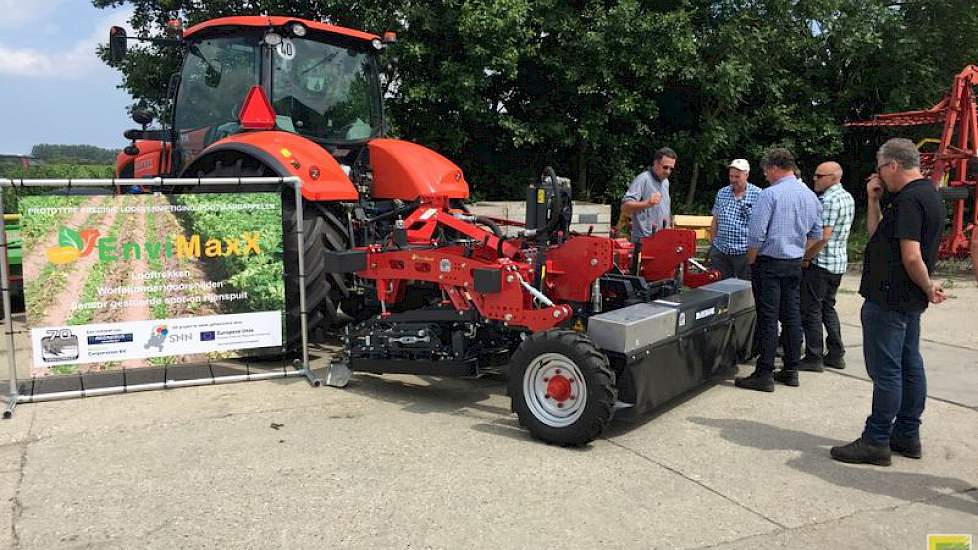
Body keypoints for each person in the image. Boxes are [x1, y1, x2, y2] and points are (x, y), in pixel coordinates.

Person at [831, 138, 947, 466]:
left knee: (887, 371)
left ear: (893, 165)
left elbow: (911, 256)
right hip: (906, 299)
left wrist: (927, 286)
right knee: (910, 365)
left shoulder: (911, 200)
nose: (879, 176)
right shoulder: (927, 196)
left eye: (880, 169)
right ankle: (907, 433)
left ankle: (877, 438)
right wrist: (873, 201)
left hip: (890, 297)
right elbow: (878, 236)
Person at [735, 148, 822, 392]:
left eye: (765, 171)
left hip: (769, 262)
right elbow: (817, 234)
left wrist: (751, 260)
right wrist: (801, 255)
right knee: (792, 316)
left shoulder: (769, 195)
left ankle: (764, 373)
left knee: (768, 318)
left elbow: (756, 234)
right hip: (794, 263)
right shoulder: (809, 195)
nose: (765, 176)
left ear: (774, 167)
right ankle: (791, 369)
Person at [796, 162, 855, 371]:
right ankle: (836, 352)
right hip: (837, 262)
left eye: (819, 176)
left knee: (811, 310)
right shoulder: (846, 196)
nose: (815, 179)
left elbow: (823, 236)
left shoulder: (828, 200)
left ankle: (814, 356)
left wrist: (806, 257)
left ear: (833, 177)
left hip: (821, 263)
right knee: (828, 307)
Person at [709, 159, 762, 279]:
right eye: (731, 176)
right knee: (719, 288)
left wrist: (754, 252)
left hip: (744, 252)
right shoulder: (722, 193)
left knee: (745, 289)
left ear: (746, 175)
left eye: (737, 176)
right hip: (721, 250)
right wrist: (713, 244)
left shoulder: (759, 194)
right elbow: (715, 220)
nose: (733, 180)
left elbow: (761, 226)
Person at [621, 147, 675, 241]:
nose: (668, 171)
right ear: (655, 163)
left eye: (671, 168)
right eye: (665, 167)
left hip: (662, 238)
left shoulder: (665, 182)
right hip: (644, 239)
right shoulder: (643, 179)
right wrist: (647, 204)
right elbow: (625, 207)